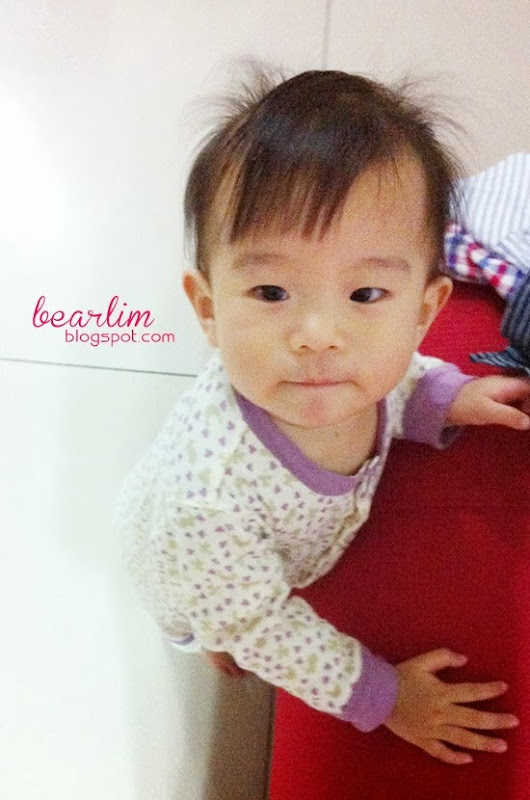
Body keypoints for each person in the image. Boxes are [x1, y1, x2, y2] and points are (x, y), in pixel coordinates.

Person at [118, 66, 530, 765]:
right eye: (271, 292)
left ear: (425, 309)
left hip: (284, 540)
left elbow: (394, 381)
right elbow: (267, 628)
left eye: (365, 294)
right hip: (189, 567)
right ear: (209, 309)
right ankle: (204, 634)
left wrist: (448, 396)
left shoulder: (346, 370)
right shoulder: (207, 505)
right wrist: (389, 699)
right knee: (228, 623)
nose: (317, 335)